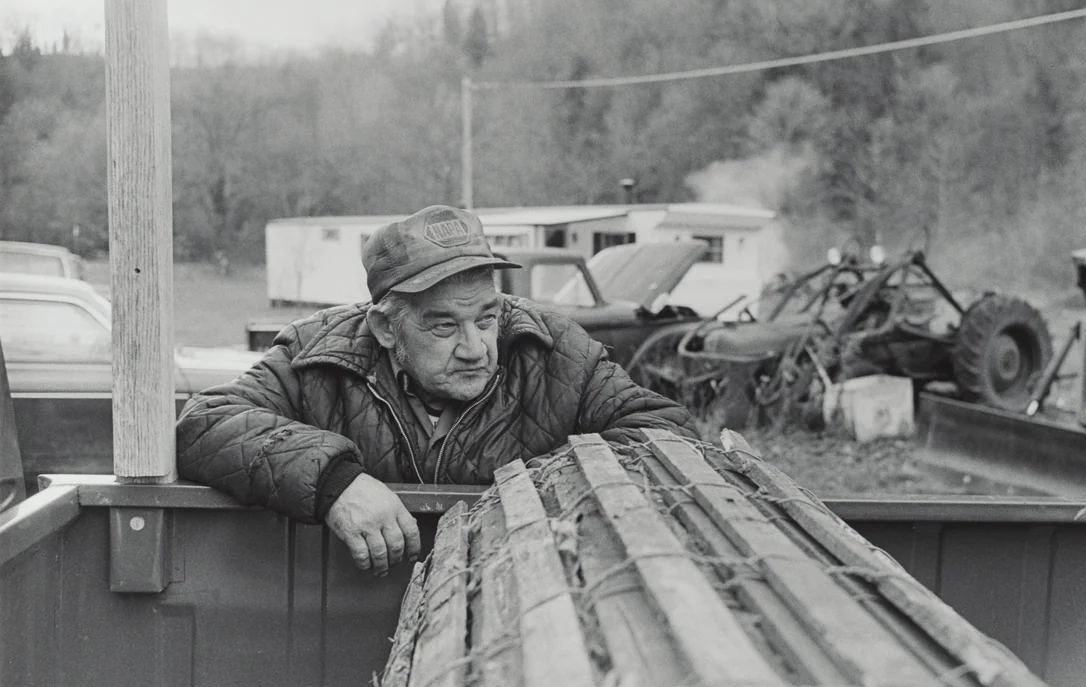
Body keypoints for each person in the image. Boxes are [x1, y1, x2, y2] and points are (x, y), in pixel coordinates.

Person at [176, 205, 697, 576]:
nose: (475, 348)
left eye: (486, 318)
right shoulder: (317, 355)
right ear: (386, 328)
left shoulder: (554, 349)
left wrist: (535, 490)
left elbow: (665, 434)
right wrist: (334, 481)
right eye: (444, 326)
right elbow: (203, 423)